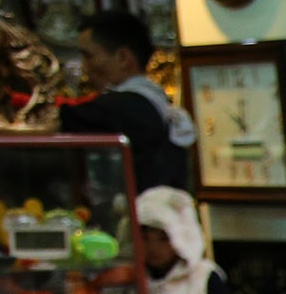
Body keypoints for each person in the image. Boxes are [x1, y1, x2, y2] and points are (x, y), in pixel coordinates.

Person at [63, 12, 192, 192]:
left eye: (89, 56)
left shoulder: (123, 107)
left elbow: (58, 121)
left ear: (123, 57)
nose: (84, 67)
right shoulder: (154, 100)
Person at [134, 186, 260, 294]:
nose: (153, 248)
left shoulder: (202, 275)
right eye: (145, 239)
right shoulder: (138, 282)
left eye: (163, 239)